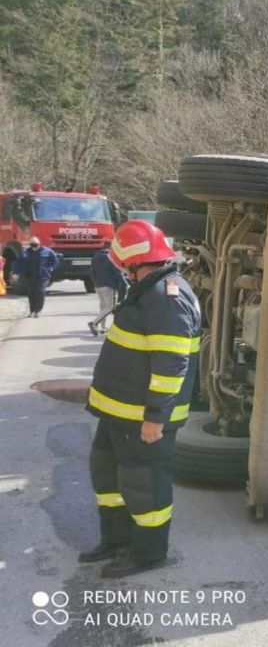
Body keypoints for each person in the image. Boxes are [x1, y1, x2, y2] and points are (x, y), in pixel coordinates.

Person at [80, 220, 201, 578]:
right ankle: (116, 540)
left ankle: (149, 553)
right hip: (118, 413)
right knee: (107, 476)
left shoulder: (168, 298)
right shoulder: (147, 288)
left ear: (131, 262)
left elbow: (170, 366)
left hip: (143, 418)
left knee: (144, 485)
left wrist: (155, 418)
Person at [10, 236, 59, 317]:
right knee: (31, 293)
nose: (34, 245)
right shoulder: (25, 252)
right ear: (30, 244)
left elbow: (55, 260)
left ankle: (38, 311)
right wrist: (16, 273)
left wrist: (50, 268)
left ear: (39, 243)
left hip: (43, 276)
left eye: (35, 243)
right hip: (29, 276)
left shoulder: (46, 251)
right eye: (32, 243)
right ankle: (32, 310)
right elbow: (18, 263)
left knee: (40, 292)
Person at [87, 241, 128, 336]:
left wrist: (95, 282)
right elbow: (118, 272)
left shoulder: (96, 256)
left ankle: (102, 327)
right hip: (109, 286)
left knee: (103, 307)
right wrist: (125, 283)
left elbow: (91, 271)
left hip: (98, 285)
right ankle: (94, 323)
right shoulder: (111, 257)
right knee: (110, 307)